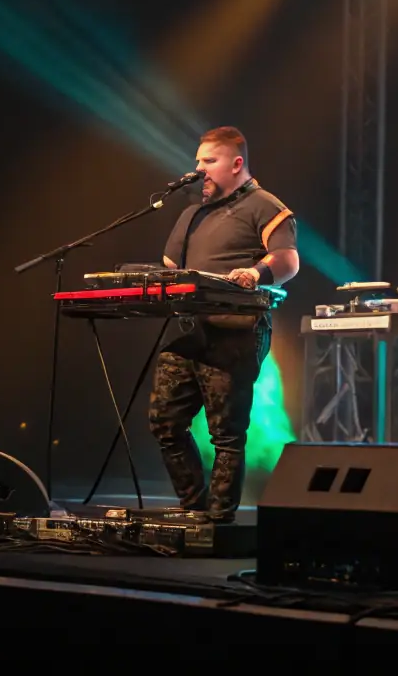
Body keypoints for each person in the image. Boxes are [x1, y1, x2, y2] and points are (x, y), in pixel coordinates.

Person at [149, 125, 300, 522]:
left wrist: (255, 272)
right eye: (197, 161)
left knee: (226, 434)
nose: (199, 170)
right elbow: (170, 268)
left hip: (234, 331)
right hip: (187, 331)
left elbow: (288, 261)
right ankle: (193, 509)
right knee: (164, 422)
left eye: (208, 161)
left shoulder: (266, 206)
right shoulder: (191, 214)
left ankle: (218, 520)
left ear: (236, 164)